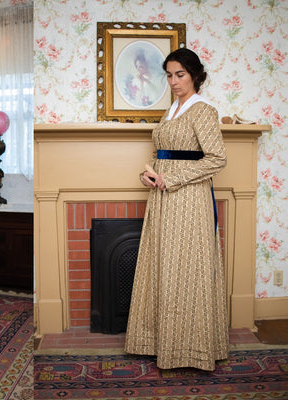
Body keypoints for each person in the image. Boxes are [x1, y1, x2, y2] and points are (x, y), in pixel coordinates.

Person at [124, 47, 228, 371]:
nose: (173, 81)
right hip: (162, 199)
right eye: (169, 75)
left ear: (195, 75)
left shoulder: (203, 111)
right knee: (162, 268)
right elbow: (163, 155)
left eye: (179, 74)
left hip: (189, 201)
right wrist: (148, 174)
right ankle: (159, 343)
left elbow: (217, 159)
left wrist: (173, 179)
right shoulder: (171, 111)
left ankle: (190, 348)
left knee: (186, 272)